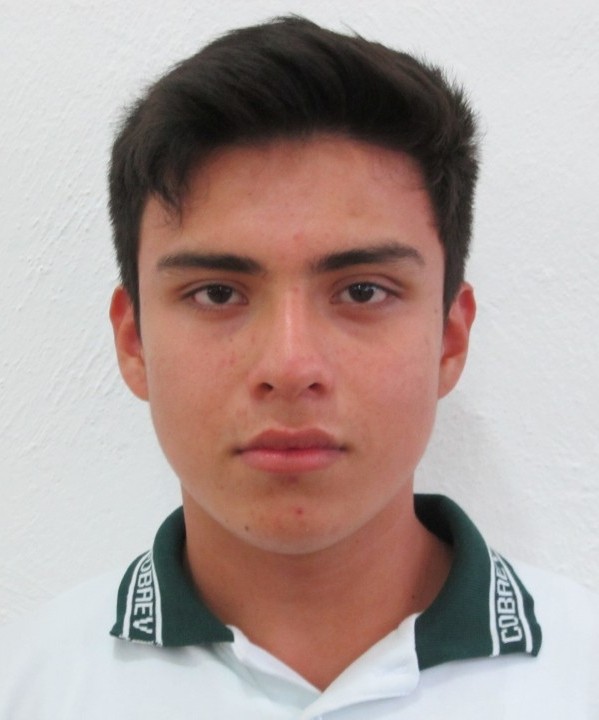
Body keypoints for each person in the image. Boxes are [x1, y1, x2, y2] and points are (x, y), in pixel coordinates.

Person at [0, 15, 596, 719]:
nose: (289, 366)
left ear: (449, 338)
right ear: (134, 343)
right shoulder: (28, 687)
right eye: (216, 293)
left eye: (363, 291)